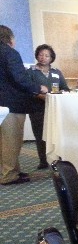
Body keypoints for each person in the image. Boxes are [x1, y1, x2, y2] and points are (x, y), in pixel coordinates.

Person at [0, 25, 48, 185]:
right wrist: (38, 88)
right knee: (11, 141)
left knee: (3, 141)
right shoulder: (10, 53)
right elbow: (19, 78)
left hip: (2, 105)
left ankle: (11, 170)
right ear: (10, 39)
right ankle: (9, 175)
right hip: (11, 105)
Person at [26, 44, 69, 169]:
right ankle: (43, 160)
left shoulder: (56, 72)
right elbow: (28, 90)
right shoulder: (30, 72)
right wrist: (41, 96)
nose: (43, 57)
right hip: (37, 109)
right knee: (40, 135)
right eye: (40, 55)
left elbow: (65, 88)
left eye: (46, 55)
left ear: (51, 58)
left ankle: (57, 158)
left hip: (55, 110)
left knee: (57, 134)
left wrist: (58, 95)